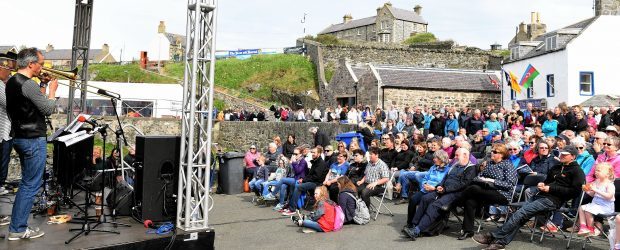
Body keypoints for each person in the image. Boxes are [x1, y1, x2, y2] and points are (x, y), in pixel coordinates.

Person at [472, 145, 586, 249]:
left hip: (553, 200)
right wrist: (543, 184)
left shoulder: (577, 171)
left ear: (573, 157)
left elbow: (575, 192)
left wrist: (551, 189)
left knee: (520, 213)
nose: (561, 156)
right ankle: (500, 243)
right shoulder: (556, 167)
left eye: (565, 155)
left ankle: (493, 236)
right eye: (561, 153)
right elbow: (548, 181)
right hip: (541, 195)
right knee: (521, 217)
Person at [6, 48, 58, 240]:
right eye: (40, 64)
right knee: (30, 185)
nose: (41, 68)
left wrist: (42, 85)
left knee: (26, 184)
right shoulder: (28, 84)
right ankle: (17, 229)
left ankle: (17, 226)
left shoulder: (12, 82)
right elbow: (47, 108)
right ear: (30, 64)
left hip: (19, 136)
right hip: (33, 138)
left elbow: (33, 103)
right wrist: (52, 90)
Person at [403, 148, 476, 240]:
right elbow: (445, 178)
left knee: (435, 205)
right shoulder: (455, 166)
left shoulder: (471, 168)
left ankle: (417, 230)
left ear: (465, 155)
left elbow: (462, 184)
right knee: (425, 198)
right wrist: (439, 186)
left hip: (456, 194)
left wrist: (445, 189)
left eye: (457, 155)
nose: (455, 157)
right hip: (444, 189)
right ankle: (414, 224)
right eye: (455, 155)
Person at [456, 143, 517, 240]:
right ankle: (468, 231)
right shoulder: (490, 163)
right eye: (492, 151)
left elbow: (510, 185)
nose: (492, 153)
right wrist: (482, 180)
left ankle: (455, 202)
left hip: (502, 194)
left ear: (501, 154)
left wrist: (492, 181)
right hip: (485, 191)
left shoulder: (508, 165)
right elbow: (477, 177)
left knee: (473, 189)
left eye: (495, 152)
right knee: (470, 202)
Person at [282, 146, 329, 216]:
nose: (312, 154)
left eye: (314, 152)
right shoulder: (315, 162)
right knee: (294, 184)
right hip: (312, 181)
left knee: (298, 187)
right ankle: (290, 205)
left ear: (319, 154)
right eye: (312, 152)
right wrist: (303, 179)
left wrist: (303, 180)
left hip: (317, 183)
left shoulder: (320, 163)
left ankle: (292, 209)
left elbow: (316, 177)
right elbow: (310, 175)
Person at [577, 162, 615, 237]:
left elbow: (609, 196)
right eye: (596, 170)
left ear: (607, 173)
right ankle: (583, 227)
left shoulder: (609, 184)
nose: (596, 172)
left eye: (599, 171)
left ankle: (591, 228)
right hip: (595, 205)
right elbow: (593, 195)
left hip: (605, 207)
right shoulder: (596, 182)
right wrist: (587, 191)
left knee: (588, 210)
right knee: (581, 208)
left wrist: (596, 190)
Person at [0, 52, 16, 198]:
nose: (10, 72)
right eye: (8, 70)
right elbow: (9, 105)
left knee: (4, 159)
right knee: (3, 159)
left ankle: (1, 184)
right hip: (2, 132)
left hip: (5, 130)